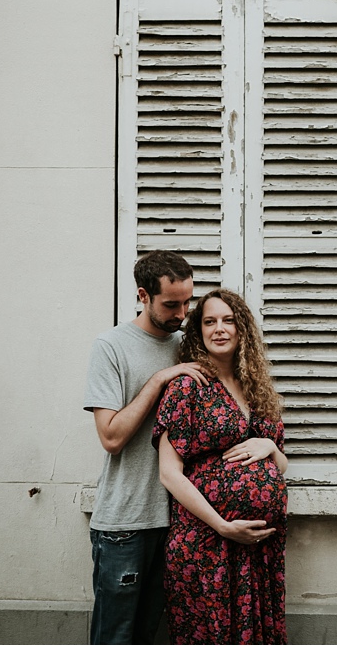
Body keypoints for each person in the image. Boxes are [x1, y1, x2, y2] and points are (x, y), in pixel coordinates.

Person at [84, 250, 208, 644]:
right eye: (172, 304)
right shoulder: (111, 346)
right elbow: (112, 438)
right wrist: (158, 381)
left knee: (150, 635)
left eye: (188, 302)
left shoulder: (188, 345)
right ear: (143, 295)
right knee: (115, 637)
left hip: (177, 522)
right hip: (125, 523)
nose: (182, 313)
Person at [154, 288, 288, 644]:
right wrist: (224, 526)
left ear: (242, 328)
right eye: (209, 321)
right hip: (206, 541)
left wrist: (270, 446)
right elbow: (169, 472)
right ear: (197, 331)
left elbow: (282, 465)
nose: (220, 329)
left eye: (228, 320)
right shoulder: (188, 386)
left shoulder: (254, 386)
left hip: (257, 548)